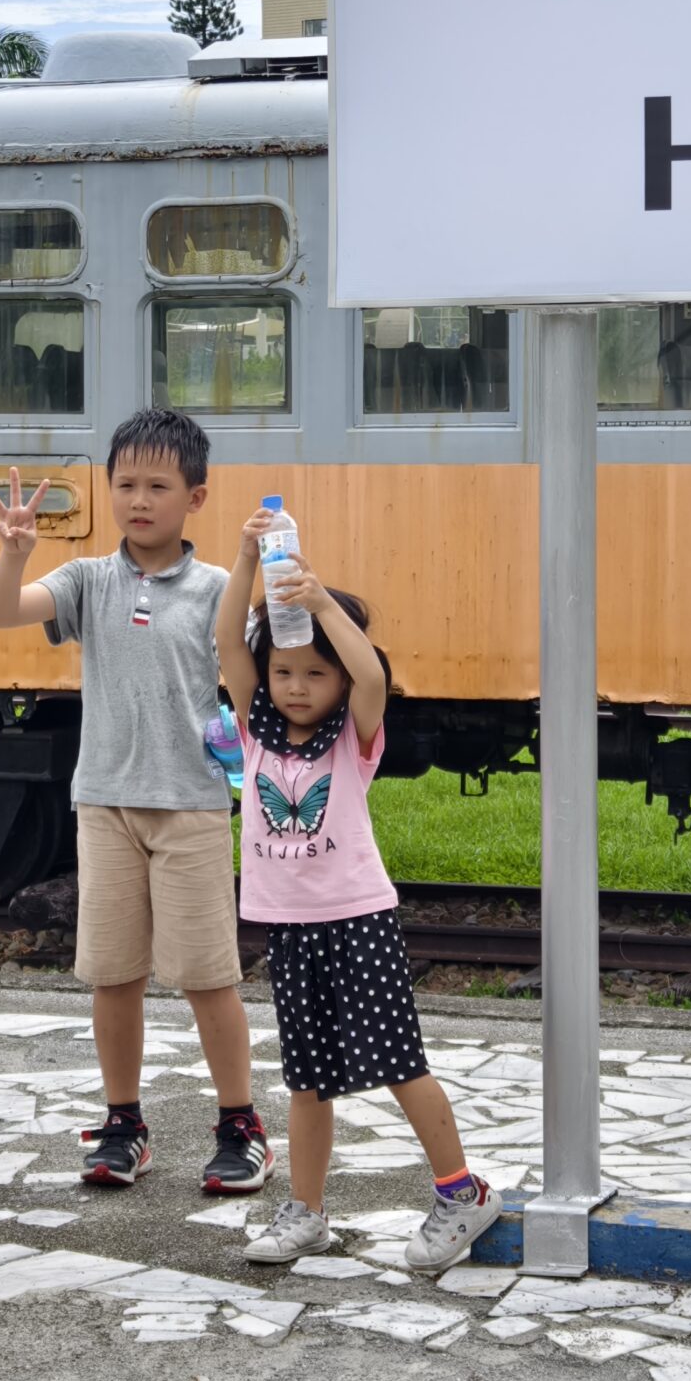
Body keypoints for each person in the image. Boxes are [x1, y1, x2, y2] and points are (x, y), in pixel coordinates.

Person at [0, 408, 272, 1195]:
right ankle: (123, 1124)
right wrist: (13, 556)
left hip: (193, 805)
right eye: (124, 485)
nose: (138, 500)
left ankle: (241, 1125)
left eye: (157, 486)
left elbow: (257, 669)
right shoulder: (87, 580)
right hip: (105, 802)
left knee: (210, 976)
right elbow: (2, 612)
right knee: (114, 975)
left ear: (196, 498)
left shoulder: (218, 589)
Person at [215, 506, 500, 1271]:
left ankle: (461, 1193)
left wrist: (319, 606)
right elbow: (225, 642)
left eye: (314, 673)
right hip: (289, 927)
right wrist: (246, 559)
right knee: (308, 1082)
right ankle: (306, 1213)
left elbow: (372, 671)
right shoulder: (252, 728)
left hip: (358, 921)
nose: (296, 686)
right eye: (283, 672)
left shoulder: (354, 737)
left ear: (339, 682)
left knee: (401, 1065)